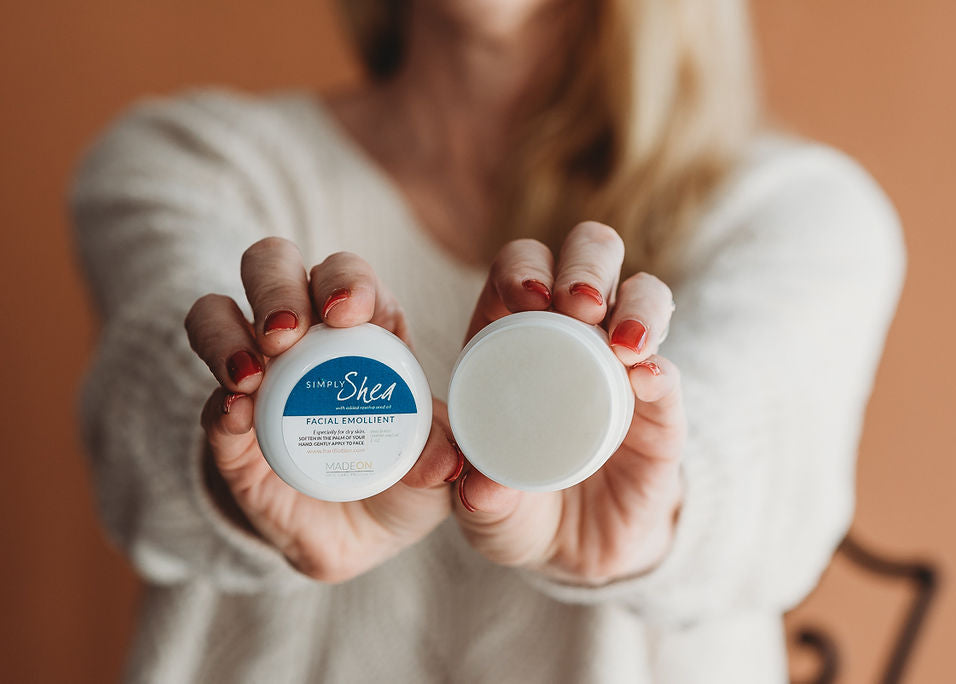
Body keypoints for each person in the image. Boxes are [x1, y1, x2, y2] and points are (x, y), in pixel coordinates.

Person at [71, 0, 905, 681]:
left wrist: (659, 507)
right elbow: (142, 434)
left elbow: (764, 492)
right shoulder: (186, 161)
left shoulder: (800, 214)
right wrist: (235, 472)